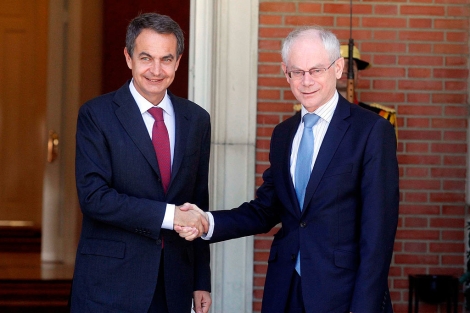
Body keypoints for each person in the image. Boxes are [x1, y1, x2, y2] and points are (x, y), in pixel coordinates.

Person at [177, 26, 399, 313]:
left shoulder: (371, 131)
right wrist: (207, 222)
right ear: (286, 73)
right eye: (297, 72)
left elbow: (378, 234)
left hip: (344, 295)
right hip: (284, 290)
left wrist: (364, 308)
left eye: (316, 70)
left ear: (338, 68)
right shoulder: (283, 134)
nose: (306, 81)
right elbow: (266, 209)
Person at [70, 13, 211, 313]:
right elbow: (94, 198)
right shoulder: (97, 115)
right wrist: (169, 216)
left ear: (178, 61)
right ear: (128, 57)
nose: (156, 70)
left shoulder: (197, 120)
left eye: (166, 59)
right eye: (146, 57)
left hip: (173, 284)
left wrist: (201, 279)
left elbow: (198, 201)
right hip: (110, 285)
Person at [337, 44, 398, 137]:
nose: (344, 70)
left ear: (359, 76)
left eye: (350, 66)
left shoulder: (381, 116)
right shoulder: (315, 114)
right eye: (338, 66)